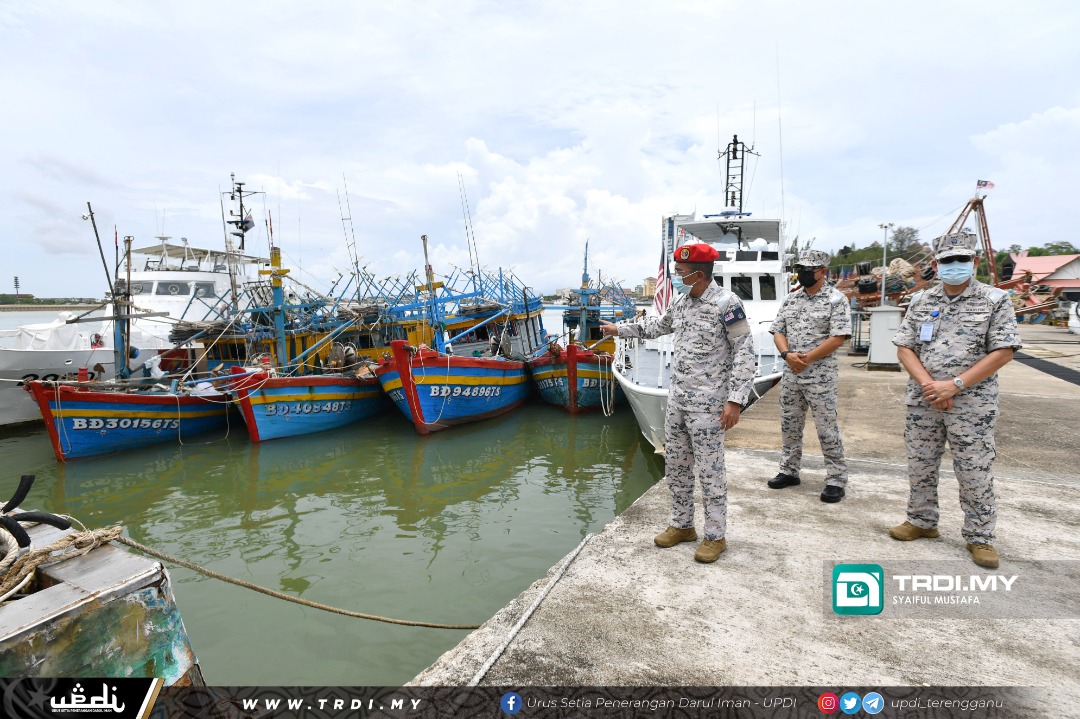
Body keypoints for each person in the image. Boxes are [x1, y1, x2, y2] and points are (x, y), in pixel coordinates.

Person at [600, 243, 757, 563]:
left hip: (709, 406)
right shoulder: (683, 303)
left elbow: (744, 351)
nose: (678, 276)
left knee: (711, 472)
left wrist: (735, 400)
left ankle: (716, 535)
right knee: (677, 467)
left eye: (683, 272)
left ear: (700, 273)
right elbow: (656, 326)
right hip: (678, 402)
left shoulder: (727, 303)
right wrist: (620, 328)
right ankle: (683, 525)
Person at [889, 231, 1021, 569]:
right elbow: (905, 347)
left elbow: (1004, 350)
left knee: (974, 469)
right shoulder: (922, 301)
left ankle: (980, 537)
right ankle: (921, 521)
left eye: (962, 259)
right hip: (924, 400)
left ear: (974, 262)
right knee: (920, 464)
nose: (955, 265)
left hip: (971, 405)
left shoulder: (994, 300)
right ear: (936, 264)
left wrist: (955, 385)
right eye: (948, 260)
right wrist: (931, 385)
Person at [767, 248, 852, 502]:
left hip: (820, 376)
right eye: (799, 269)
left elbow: (838, 337)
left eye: (808, 270)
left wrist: (807, 358)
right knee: (790, 425)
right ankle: (789, 470)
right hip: (792, 373)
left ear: (822, 272)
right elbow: (778, 330)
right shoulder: (791, 300)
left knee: (827, 428)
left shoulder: (836, 300)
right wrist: (787, 355)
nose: (802, 274)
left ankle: (836, 479)